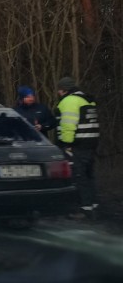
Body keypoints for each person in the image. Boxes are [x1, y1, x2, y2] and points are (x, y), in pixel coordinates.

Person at [55, 76, 100, 217]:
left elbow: (68, 125)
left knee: (79, 176)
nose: (58, 93)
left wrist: (67, 144)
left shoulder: (69, 102)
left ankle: (84, 209)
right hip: (91, 144)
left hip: (77, 144)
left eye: (59, 90)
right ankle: (93, 204)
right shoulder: (87, 100)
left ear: (64, 90)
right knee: (89, 175)